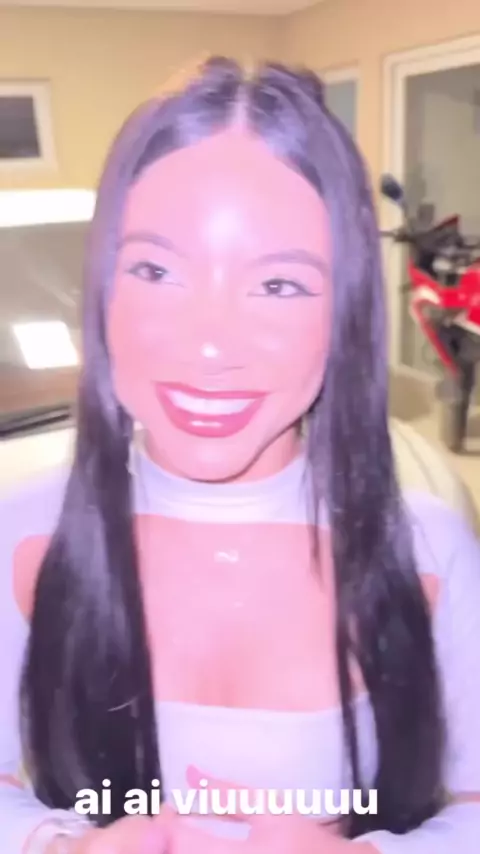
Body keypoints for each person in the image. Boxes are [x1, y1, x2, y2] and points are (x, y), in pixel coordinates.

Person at [1, 57, 479, 854]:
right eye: (156, 270)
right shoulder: (21, 532)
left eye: (279, 285)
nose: (210, 346)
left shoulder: (426, 545)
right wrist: (59, 842)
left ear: (347, 311)